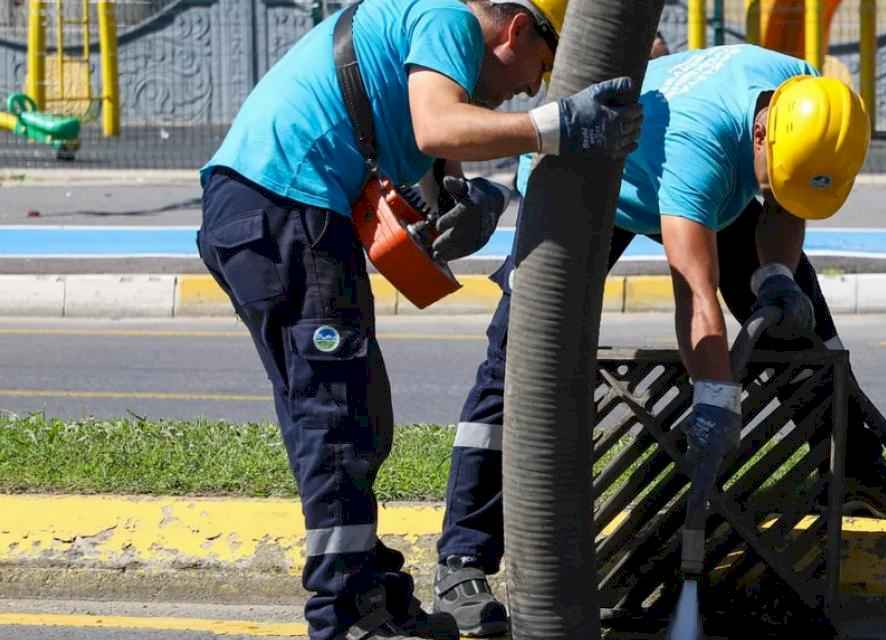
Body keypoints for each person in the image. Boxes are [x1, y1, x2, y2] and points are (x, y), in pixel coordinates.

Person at [194, 0, 644, 638]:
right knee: (335, 417)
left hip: (270, 213)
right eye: (540, 68)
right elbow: (439, 129)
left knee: (353, 413)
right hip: (285, 210)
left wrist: (468, 198)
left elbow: (433, 154)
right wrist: (558, 125)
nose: (530, 89)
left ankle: (370, 589)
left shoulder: (426, 43)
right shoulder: (450, 18)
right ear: (516, 29)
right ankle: (345, 614)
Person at [433, 44, 886, 637]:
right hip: (587, 180)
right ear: (762, 133)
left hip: (708, 167)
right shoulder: (696, 149)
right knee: (517, 357)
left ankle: (855, 472)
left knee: (801, 334)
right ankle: (463, 557)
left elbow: (786, 199)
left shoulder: (812, 101)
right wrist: (714, 395)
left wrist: (777, 274)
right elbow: (695, 296)